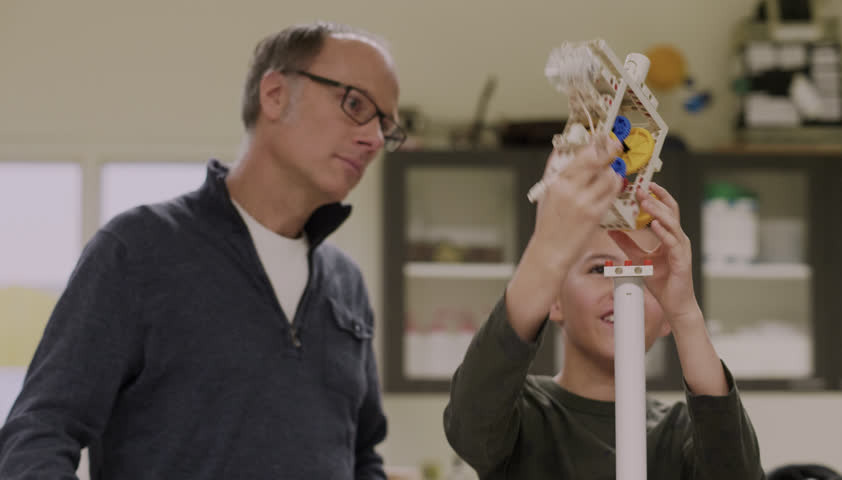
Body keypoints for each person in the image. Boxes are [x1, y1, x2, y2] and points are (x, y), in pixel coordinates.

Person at [0, 21, 404, 479]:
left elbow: (363, 455)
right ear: (275, 95)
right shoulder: (137, 251)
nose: (374, 140)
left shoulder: (346, 284)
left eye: (385, 126)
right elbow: (38, 434)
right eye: (355, 105)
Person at [443, 140, 765, 479]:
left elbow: (736, 472)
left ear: (665, 317)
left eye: (644, 275)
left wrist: (685, 313)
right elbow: (469, 424)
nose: (624, 287)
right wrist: (547, 247)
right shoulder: (521, 415)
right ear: (554, 300)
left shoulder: (681, 433)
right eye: (599, 269)